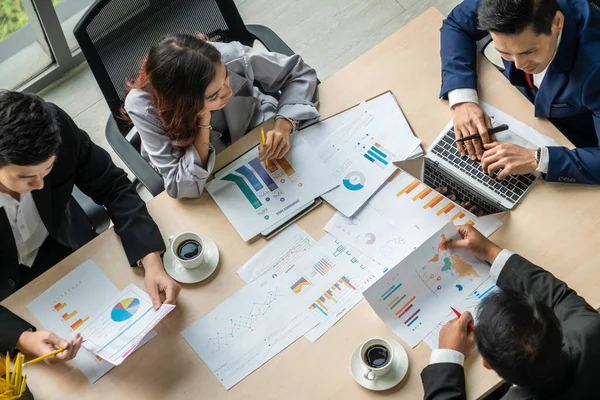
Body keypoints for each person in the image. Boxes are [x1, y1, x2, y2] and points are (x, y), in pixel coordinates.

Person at [0, 90, 180, 359]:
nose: (39, 185)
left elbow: (113, 186)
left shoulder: (55, 127)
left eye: (47, 172)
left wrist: (150, 258)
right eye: (26, 177)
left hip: (64, 246)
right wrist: (20, 337)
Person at [123, 33, 319, 199]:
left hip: (256, 127)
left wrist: (283, 124)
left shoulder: (226, 57)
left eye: (226, 77)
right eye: (214, 95)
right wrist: (202, 122)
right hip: (204, 171)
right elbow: (179, 183)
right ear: (183, 103)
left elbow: (298, 74)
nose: (228, 93)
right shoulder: (142, 106)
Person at [421, 224, 600, 399]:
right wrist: (490, 251)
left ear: (487, 363)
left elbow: (556, 297)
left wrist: (447, 355)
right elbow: (558, 296)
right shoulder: (591, 330)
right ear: (557, 326)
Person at [440, 0, 600, 184]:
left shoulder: (595, 68)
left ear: (557, 22)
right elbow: (456, 24)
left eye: (528, 52)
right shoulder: (500, 4)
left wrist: (538, 159)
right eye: (505, 52)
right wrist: (462, 98)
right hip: (524, 108)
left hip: (576, 139)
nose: (519, 65)